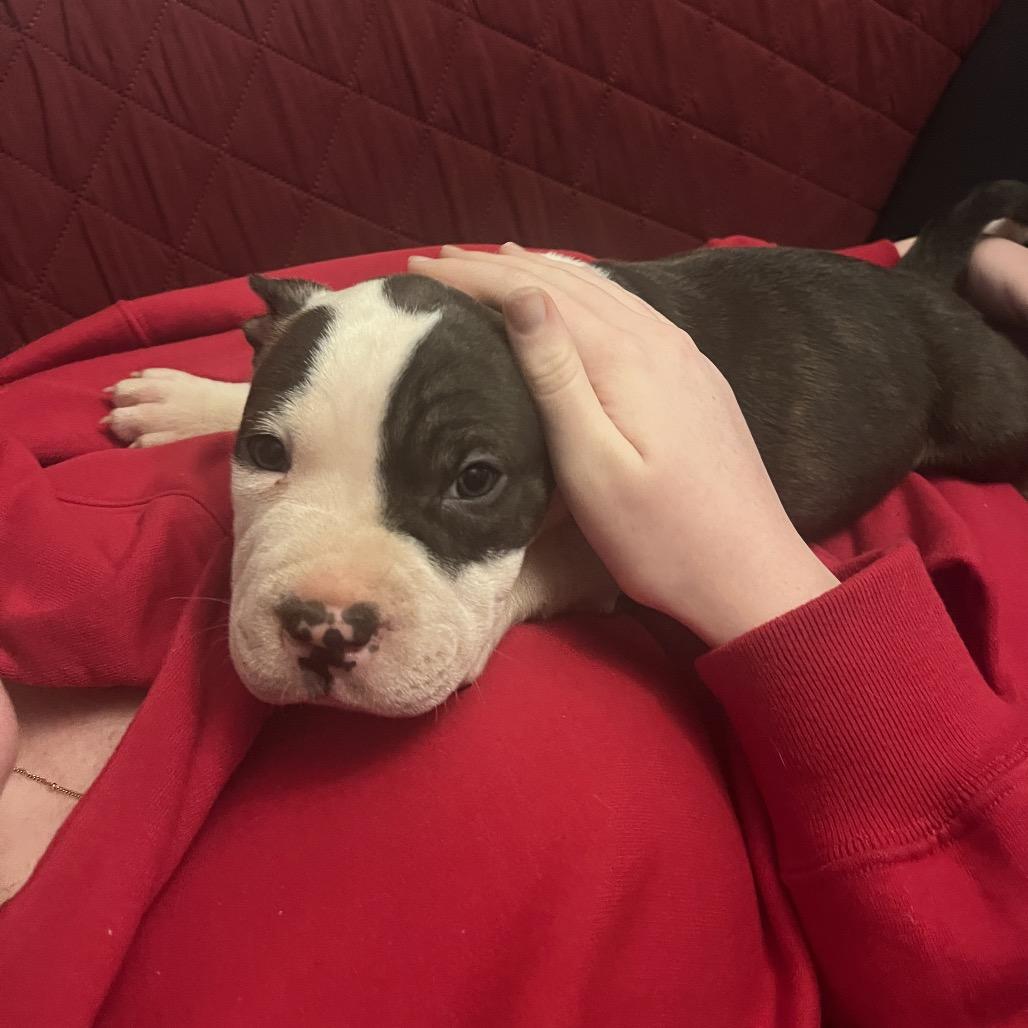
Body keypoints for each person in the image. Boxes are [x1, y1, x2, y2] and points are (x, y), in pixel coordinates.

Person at [1, 230, 1026, 1027]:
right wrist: (257, 411)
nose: (325, 619)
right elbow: (370, 383)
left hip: (907, 373)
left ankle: (963, 257)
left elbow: (433, 370)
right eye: (273, 450)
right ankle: (953, 250)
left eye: (477, 481)